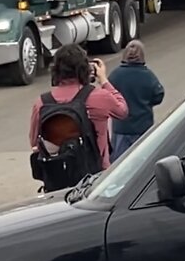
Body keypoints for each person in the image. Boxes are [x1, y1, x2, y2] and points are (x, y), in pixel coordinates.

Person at [30, 45, 128, 175]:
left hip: (57, 175)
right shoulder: (99, 97)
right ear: (86, 69)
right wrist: (103, 80)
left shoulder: (42, 103)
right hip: (95, 173)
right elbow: (123, 111)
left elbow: (34, 141)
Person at [107, 39, 165, 157]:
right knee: (143, 160)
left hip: (121, 129)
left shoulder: (114, 75)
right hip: (143, 128)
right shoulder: (148, 76)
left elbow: (107, 97)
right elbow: (158, 96)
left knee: (119, 164)